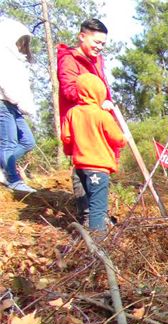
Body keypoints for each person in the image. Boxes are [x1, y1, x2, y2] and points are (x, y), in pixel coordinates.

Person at [57, 18, 113, 223]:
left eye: (103, 44)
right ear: (82, 36)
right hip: (80, 123)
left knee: (99, 167)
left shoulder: (96, 60)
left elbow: (103, 86)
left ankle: (98, 213)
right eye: (96, 42)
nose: (99, 47)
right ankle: (88, 216)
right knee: (83, 166)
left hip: (98, 119)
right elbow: (69, 89)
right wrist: (95, 103)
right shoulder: (69, 59)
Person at [61, 73, 126, 231]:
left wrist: (75, 152)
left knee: (87, 206)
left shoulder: (72, 113)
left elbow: (67, 139)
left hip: (79, 168)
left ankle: (86, 237)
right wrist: (124, 137)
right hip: (98, 169)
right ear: (99, 93)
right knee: (98, 208)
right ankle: (98, 246)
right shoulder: (102, 115)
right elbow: (119, 139)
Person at [0, 18, 37, 193]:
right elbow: (6, 83)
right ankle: (13, 180)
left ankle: (4, 167)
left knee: (28, 141)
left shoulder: (15, 58)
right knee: (8, 143)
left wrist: (27, 106)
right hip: (3, 102)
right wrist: (17, 100)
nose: (23, 44)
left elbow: (21, 85)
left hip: (13, 106)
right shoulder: (3, 55)